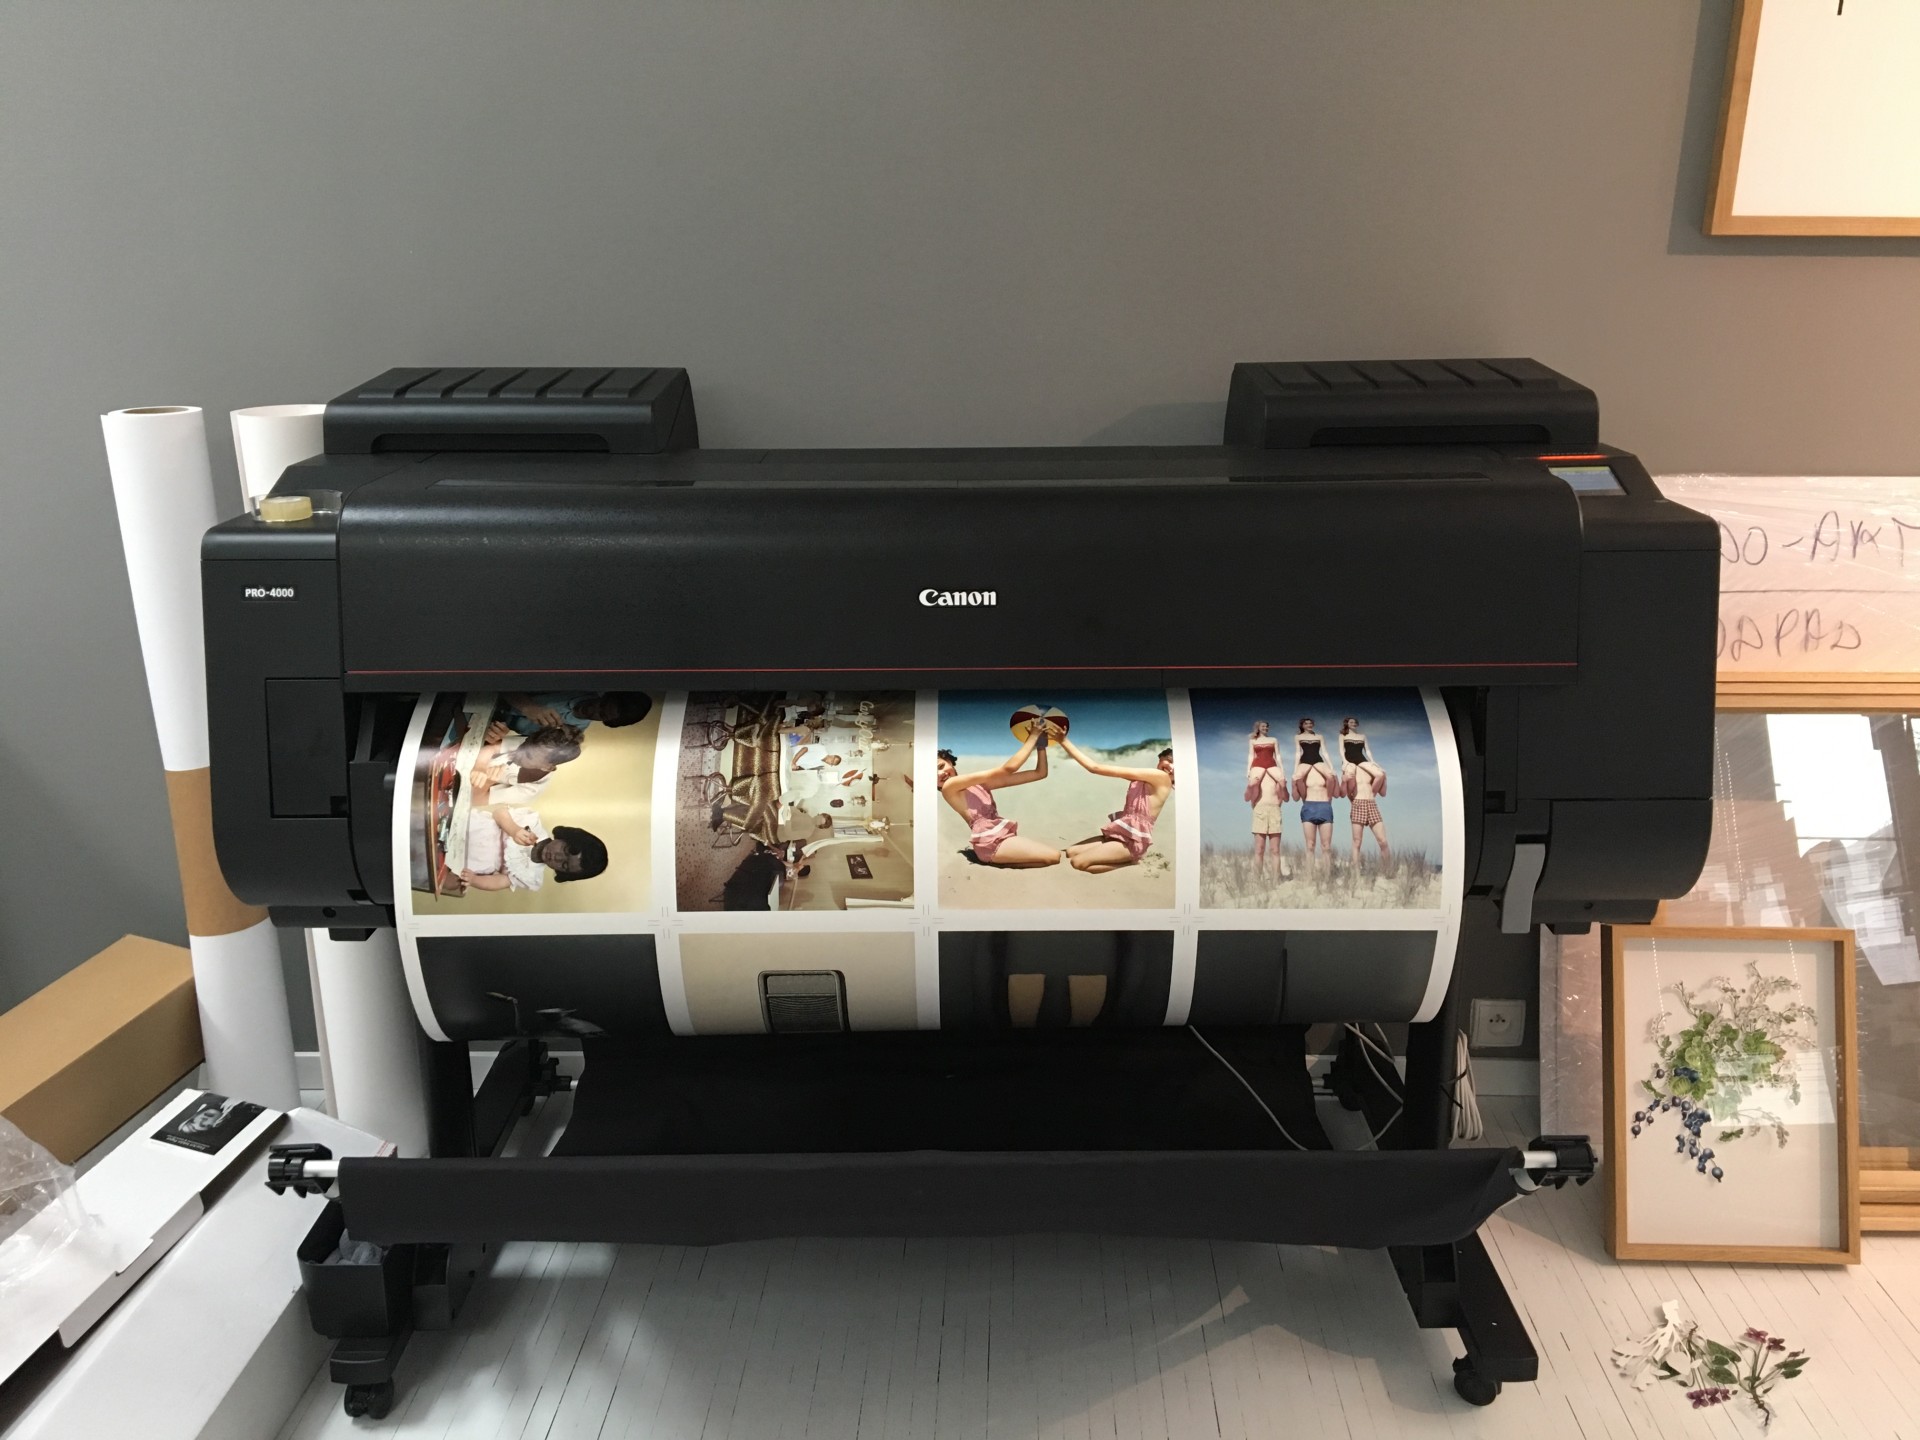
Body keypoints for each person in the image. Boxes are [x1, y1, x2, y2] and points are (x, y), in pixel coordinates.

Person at [936, 728, 1061, 868]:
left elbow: (1040, 773)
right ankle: (995, 860)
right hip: (990, 843)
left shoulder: (976, 785)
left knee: (1052, 858)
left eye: (941, 766)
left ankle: (999, 861)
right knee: (1054, 856)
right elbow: (1008, 769)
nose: (940, 773)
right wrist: (1033, 736)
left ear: (949, 761)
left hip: (998, 837)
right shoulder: (949, 787)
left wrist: (1041, 745)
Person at [1061, 741, 1175, 874]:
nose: (1171, 767)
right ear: (1160, 759)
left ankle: (1131, 861)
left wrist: (1062, 741)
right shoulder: (1150, 778)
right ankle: (1130, 858)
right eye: (1169, 761)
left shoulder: (1161, 778)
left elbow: (1095, 768)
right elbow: (1103, 770)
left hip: (1133, 841)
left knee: (1078, 862)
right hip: (1121, 832)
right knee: (1070, 852)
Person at [439, 805, 607, 895]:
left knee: (453, 883)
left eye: (563, 865)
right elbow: (499, 813)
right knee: (446, 820)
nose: (557, 857)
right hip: (474, 830)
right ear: (565, 837)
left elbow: (501, 882)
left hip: (473, 862)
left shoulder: (532, 876)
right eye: (564, 850)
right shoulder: (533, 822)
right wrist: (513, 829)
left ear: (563, 873)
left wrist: (474, 880)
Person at [469, 723, 583, 806]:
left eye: (528, 756)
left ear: (547, 767)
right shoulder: (536, 744)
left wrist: (488, 782)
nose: (519, 754)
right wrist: (480, 766)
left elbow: (475, 800)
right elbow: (492, 748)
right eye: (522, 746)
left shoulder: (530, 790)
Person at [1340, 716, 1392, 874]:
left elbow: (1383, 793)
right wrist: (1345, 777)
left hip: (1372, 804)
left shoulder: (1370, 770)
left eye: (1355, 722)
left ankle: (1388, 871)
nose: (1353, 724)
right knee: (1357, 842)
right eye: (1350, 722)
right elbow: (1345, 793)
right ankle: (1355, 874)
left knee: (1383, 841)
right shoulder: (1350, 770)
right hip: (1358, 804)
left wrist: (1384, 778)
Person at [1246, 720, 1289, 881]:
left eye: (1267, 726)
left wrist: (1282, 773)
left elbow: (1278, 755)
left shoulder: (1274, 741)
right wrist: (1248, 772)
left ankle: (1276, 879)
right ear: (1258, 728)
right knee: (1259, 849)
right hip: (1260, 809)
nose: (1265, 728)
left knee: (1275, 850)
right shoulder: (1253, 742)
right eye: (1263, 726)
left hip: (1274, 810)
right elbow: (1251, 756)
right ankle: (1257, 879)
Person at [1293, 736, 1340, 879]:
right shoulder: (1301, 772)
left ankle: (1327, 877)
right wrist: (1295, 781)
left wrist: (1335, 777)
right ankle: (1309, 877)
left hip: (1325, 806)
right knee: (1310, 845)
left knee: (1326, 846)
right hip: (1308, 807)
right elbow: (1295, 797)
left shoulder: (1325, 770)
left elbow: (1337, 793)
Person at [501, 692, 653, 736]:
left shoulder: (571, 733)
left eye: (602, 715)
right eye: (602, 705)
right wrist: (528, 706)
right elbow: (503, 681)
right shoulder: (573, 684)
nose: (593, 710)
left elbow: (517, 744)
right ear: (606, 695)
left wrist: (499, 735)